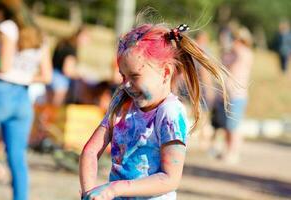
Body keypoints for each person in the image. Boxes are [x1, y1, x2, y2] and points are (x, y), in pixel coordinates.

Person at [79, 22, 228, 200]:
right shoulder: (122, 103)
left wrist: (115, 189)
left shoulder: (169, 113)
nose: (126, 84)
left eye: (134, 76)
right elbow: (90, 152)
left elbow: (170, 178)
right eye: (123, 75)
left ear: (165, 72)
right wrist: (88, 192)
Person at [0, 2, 52, 200]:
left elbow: (4, 66)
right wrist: (23, 76)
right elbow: (46, 76)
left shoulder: (7, 27)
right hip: (23, 100)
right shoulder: (39, 35)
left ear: (1, 10)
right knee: (17, 158)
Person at [211, 27, 253, 164]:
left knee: (233, 126)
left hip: (237, 95)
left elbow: (238, 58)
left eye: (236, 39)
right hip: (225, 94)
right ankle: (228, 150)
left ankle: (234, 152)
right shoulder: (229, 53)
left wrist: (233, 47)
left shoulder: (245, 53)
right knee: (226, 126)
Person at [46, 26, 89, 106]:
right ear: (80, 36)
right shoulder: (71, 49)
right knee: (56, 108)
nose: (87, 41)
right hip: (59, 80)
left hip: (51, 75)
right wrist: (80, 75)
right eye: (86, 38)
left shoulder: (65, 43)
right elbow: (67, 70)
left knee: (48, 107)